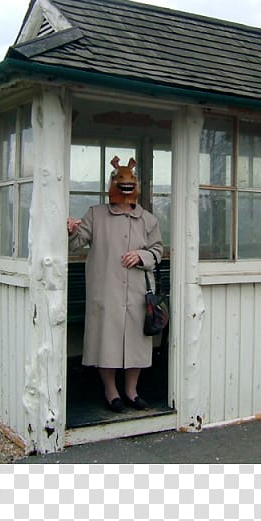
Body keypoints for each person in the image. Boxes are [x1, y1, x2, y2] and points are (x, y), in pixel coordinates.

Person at [67, 156, 163, 412]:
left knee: (136, 343)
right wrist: (69, 230)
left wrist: (141, 256)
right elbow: (75, 243)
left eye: (130, 182)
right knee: (106, 341)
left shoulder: (148, 220)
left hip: (138, 292)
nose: (125, 186)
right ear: (112, 183)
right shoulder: (95, 215)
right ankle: (111, 392)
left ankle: (131, 391)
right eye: (120, 182)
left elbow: (157, 251)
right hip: (106, 290)